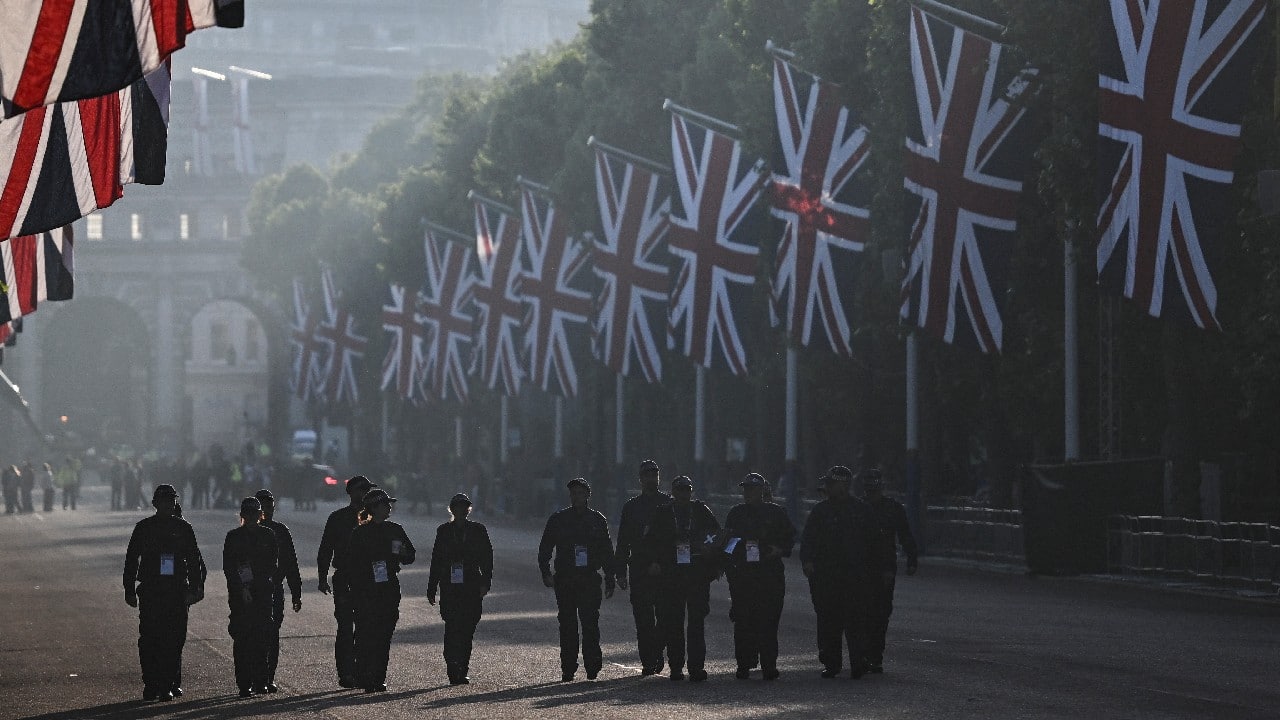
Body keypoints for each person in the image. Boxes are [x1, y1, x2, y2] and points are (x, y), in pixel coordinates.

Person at [122, 484, 205, 701]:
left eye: (172, 501)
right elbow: (131, 559)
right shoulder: (144, 528)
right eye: (164, 501)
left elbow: (194, 560)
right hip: (151, 591)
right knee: (149, 639)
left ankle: (167, 683)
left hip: (176, 591)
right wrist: (129, 589)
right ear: (155, 504)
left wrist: (195, 588)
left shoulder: (184, 528)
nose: (169, 505)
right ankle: (151, 683)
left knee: (174, 639)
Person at [800, 467, 879, 680]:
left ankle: (859, 662)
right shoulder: (820, 511)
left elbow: (875, 543)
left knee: (857, 622)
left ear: (843, 485)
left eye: (831, 484)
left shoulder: (862, 511)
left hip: (855, 576)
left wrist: (875, 571)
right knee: (828, 622)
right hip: (827, 577)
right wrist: (807, 563)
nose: (827, 488)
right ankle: (831, 663)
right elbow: (808, 540)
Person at [538, 477, 616, 682]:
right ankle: (568, 667)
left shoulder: (597, 520)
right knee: (567, 625)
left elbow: (607, 551)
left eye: (581, 493)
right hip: (565, 579)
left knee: (590, 624)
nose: (577, 497)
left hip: (589, 579)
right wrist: (545, 572)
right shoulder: (558, 519)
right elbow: (545, 547)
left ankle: (592, 666)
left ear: (588, 495)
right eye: (574, 493)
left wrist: (610, 577)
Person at [722, 472, 795, 680]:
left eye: (752, 489)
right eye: (746, 489)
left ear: (762, 491)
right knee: (743, 621)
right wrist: (729, 563)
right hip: (743, 574)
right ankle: (744, 664)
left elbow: (790, 537)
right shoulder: (736, 513)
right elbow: (728, 540)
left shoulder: (776, 513)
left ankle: (769, 665)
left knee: (769, 621)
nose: (748, 493)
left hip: (769, 574)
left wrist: (778, 550)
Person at [651, 475, 721, 682]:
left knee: (697, 622)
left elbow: (717, 536)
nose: (683, 493)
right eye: (679, 490)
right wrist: (654, 562)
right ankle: (676, 666)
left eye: (686, 489)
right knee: (674, 622)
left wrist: (713, 559)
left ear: (691, 491)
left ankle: (696, 667)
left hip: (697, 574)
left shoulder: (701, 511)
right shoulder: (663, 513)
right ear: (673, 492)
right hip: (672, 574)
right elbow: (650, 542)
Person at [348, 487, 416, 693]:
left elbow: (410, 555)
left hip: (388, 588)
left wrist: (404, 553)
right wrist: (355, 589)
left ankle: (378, 677)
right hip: (366, 590)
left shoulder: (395, 529)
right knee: (366, 633)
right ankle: (364, 675)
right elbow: (351, 564)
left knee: (384, 633)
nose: (389, 508)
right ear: (375, 508)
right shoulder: (360, 533)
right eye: (386, 504)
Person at [426, 493, 494, 685]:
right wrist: (432, 587)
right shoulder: (444, 531)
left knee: (467, 628)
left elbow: (487, 559)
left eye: (465, 507)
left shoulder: (478, 530)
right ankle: (452, 665)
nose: (461, 510)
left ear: (468, 510)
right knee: (452, 627)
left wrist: (485, 583)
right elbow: (436, 560)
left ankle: (462, 667)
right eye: (457, 507)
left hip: (471, 583)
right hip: (450, 585)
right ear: (452, 509)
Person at [615, 458, 673, 675]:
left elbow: (673, 539)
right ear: (640, 479)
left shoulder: (669, 504)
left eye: (654, 474)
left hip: (665, 569)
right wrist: (619, 572)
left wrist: (662, 563)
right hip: (640, 569)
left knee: (666, 616)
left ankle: (656, 650)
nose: (651, 479)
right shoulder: (631, 507)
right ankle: (648, 660)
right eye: (647, 475)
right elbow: (623, 542)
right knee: (643, 619)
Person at [316, 475, 374, 688]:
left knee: (365, 626)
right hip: (345, 577)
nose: (367, 494)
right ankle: (346, 673)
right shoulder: (338, 518)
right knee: (345, 627)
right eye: (364, 490)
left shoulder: (373, 518)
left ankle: (361, 671)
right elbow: (325, 549)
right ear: (353, 493)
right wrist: (322, 578)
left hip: (368, 579)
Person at [860, 467, 919, 674]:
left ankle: (875, 655)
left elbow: (904, 534)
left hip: (884, 567)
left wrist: (912, 558)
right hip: (859, 567)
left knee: (881, 613)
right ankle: (863, 653)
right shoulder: (857, 508)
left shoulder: (892, 509)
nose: (871, 493)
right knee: (861, 612)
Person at [223, 497, 279, 697]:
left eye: (255, 513)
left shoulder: (268, 535)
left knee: (262, 638)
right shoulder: (234, 537)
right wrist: (242, 588)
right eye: (248, 514)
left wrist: (259, 583)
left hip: (262, 592)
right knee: (243, 639)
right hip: (241, 595)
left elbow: (273, 564)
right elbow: (229, 567)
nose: (252, 517)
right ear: (243, 516)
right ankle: (244, 682)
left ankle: (261, 680)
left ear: (260, 515)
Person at [254, 489, 303, 693]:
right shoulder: (246, 533)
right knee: (253, 634)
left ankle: (268, 677)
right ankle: (253, 676)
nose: (267, 511)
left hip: (275, 588)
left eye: (270, 506)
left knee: (272, 634)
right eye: (263, 507)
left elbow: (291, 562)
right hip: (253, 590)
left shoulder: (281, 531)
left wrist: (296, 592)